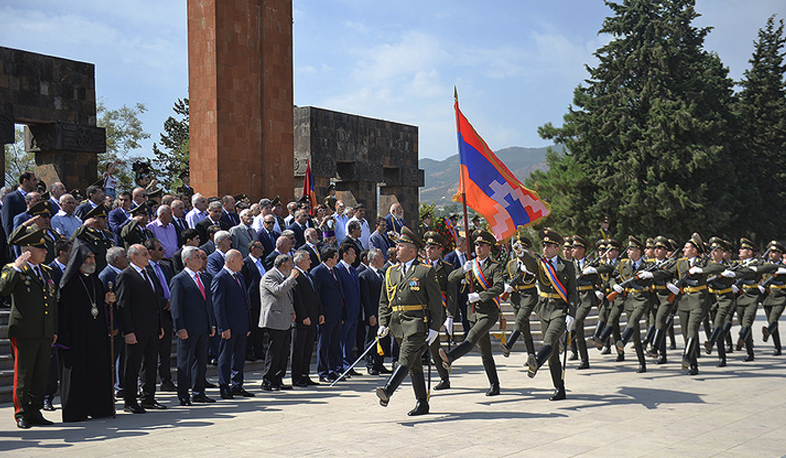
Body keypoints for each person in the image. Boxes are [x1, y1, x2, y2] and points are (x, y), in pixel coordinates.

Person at [376, 227, 441, 416]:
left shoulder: (424, 271)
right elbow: (383, 302)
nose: (396, 249)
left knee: (404, 359)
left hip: (416, 324)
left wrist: (435, 327)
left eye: (401, 246)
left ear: (412, 250)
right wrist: (383, 323)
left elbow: (436, 303)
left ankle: (387, 390)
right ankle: (422, 402)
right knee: (414, 364)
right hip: (397, 325)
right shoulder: (391, 272)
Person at [0, 227, 57, 428]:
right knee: (23, 375)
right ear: (28, 251)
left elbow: (52, 302)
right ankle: (21, 412)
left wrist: (54, 329)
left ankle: (35, 410)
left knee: (41, 375)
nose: (45, 252)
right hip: (24, 330)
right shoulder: (13, 269)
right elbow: (4, 289)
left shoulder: (46, 271)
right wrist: (16, 268)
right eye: (41, 248)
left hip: (44, 330)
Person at [439, 229, 504, 397]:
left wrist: (481, 296)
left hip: (488, 313)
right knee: (485, 352)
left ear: (489, 248)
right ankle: (495, 385)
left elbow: (499, 287)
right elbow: (450, 278)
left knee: (471, 337)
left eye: (482, 245)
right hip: (473, 313)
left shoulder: (494, 266)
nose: (478, 248)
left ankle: (450, 357)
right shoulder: (471, 264)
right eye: (476, 245)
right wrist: (463, 269)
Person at [517, 228, 578, 401]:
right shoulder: (540, 263)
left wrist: (571, 313)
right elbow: (530, 264)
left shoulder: (567, 266)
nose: (545, 249)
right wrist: (521, 253)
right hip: (544, 310)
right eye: (543, 245)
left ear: (557, 248)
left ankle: (536, 362)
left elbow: (573, 292)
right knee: (552, 354)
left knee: (549, 340)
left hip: (560, 310)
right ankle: (559, 388)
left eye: (549, 246)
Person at [56, 243, 115, 422]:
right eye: (88, 258)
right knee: (78, 373)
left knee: (97, 370)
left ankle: (99, 408)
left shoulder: (96, 281)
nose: (91, 261)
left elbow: (96, 307)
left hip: (95, 334)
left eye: (93, 258)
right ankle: (76, 411)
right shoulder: (69, 283)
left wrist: (106, 301)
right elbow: (64, 311)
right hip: (76, 336)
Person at [117, 243, 166, 413]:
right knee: (133, 365)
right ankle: (130, 400)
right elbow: (123, 305)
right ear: (133, 257)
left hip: (152, 328)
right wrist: (128, 331)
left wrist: (159, 325)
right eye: (144, 254)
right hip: (136, 330)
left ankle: (148, 398)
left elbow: (155, 300)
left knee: (150, 365)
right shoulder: (126, 275)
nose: (148, 257)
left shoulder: (149, 273)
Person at [170, 246, 216, 405]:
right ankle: (183, 394)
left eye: (200, 257)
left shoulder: (204, 278)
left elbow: (208, 304)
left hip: (203, 327)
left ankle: (199, 392)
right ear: (187, 260)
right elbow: (176, 307)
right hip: (188, 328)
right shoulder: (179, 279)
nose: (200, 260)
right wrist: (179, 327)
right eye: (196, 257)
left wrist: (211, 324)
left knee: (201, 362)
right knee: (185, 363)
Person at [211, 249, 254, 399]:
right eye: (240, 260)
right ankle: (224, 385)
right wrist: (223, 327)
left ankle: (237, 385)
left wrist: (248, 324)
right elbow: (218, 305)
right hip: (229, 326)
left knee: (239, 357)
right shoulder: (220, 278)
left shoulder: (239, 276)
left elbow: (245, 302)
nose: (243, 263)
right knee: (225, 357)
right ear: (231, 260)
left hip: (241, 325)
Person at [259, 254, 299, 391]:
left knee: (283, 352)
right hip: (274, 319)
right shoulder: (270, 276)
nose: (292, 267)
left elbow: (288, 297)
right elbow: (279, 290)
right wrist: (291, 278)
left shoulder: (283, 277)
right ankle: (268, 380)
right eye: (290, 264)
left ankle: (278, 378)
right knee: (274, 351)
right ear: (284, 264)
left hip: (285, 318)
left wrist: (292, 311)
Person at [421, 232, 456, 390]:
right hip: (423, 308)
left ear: (440, 250)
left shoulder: (447, 268)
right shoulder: (420, 265)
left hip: (439, 310)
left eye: (432, 248)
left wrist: (450, 315)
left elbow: (451, 293)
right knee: (430, 344)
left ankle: (444, 378)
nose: (428, 250)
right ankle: (444, 378)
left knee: (432, 343)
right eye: (427, 247)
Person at [144, 239, 176, 392]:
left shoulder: (165, 266)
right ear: (150, 252)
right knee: (150, 351)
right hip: (155, 312)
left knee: (165, 350)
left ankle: (166, 380)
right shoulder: (145, 269)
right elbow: (149, 292)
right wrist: (164, 302)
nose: (164, 251)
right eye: (160, 249)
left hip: (168, 313)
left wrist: (172, 302)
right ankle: (145, 384)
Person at [500, 233, 539, 361]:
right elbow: (503, 277)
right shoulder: (511, 264)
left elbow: (533, 269)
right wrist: (506, 286)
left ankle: (509, 344)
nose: (519, 250)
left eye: (522, 248)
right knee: (525, 329)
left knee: (520, 320)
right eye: (517, 248)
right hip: (516, 298)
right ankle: (531, 356)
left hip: (529, 296)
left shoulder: (531, 262)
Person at [312, 246, 345, 382]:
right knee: (324, 344)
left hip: (337, 313)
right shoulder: (318, 272)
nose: (338, 259)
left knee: (334, 344)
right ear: (329, 259)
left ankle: (332, 370)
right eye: (336, 257)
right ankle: (323, 372)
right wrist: (320, 313)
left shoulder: (335, 271)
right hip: (326, 314)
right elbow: (316, 294)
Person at [291, 250, 324, 386]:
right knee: (299, 349)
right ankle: (297, 377)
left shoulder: (309, 275)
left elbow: (317, 296)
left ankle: (305, 375)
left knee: (308, 349)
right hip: (302, 320)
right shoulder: (295, 276)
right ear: (300, 261)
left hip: (313, 317)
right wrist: (303, 316)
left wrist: (320, 313)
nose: (310, 261)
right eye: (308, 259)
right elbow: (297, 299)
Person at [359, 249, 388, 375]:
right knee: (371, 339)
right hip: (372, 313)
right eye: (381, 257)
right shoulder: (365, 275)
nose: (384, 259)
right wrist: (370, 315)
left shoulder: (382, 274)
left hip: (383, 313)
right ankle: (370, 364)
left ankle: (379, 363)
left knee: (383, 339)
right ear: (374, 259)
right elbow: (365, 298)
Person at [335, 242, 361, 375]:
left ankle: (349, 365)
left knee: (350, 341)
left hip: (354, 312)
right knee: (341, 340)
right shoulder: (338, 269)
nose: (355, 256)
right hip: (345, 312)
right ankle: (340, 366)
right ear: (345, 255)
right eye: (352, 253)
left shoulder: (353, 270)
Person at [241, 240, 267, 361]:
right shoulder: (246, 263)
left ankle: (258, 350)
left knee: (260, 327)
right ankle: (248, 351)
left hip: (262, 300)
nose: (263, 250)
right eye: (260, 247)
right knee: (252, 327)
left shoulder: (261, 262)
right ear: (252, 248)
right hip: (252, 300)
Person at [444, 234, 471, 335]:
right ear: (459, 244)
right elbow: (448, 273)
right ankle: (450, 335)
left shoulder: (466, 257)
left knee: (465, 313)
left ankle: (467, 333)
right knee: (451, 313)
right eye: (465, 244)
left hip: (465, 288)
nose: (467, 247)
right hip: (454, 289)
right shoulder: (450, 257)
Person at [2, 171, 37, 238]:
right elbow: (7, 222)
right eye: (34, 180)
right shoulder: (11, 198)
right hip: (19, 238)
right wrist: (11, 240)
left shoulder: (35, 197)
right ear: (25, 181)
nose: (36, 183)